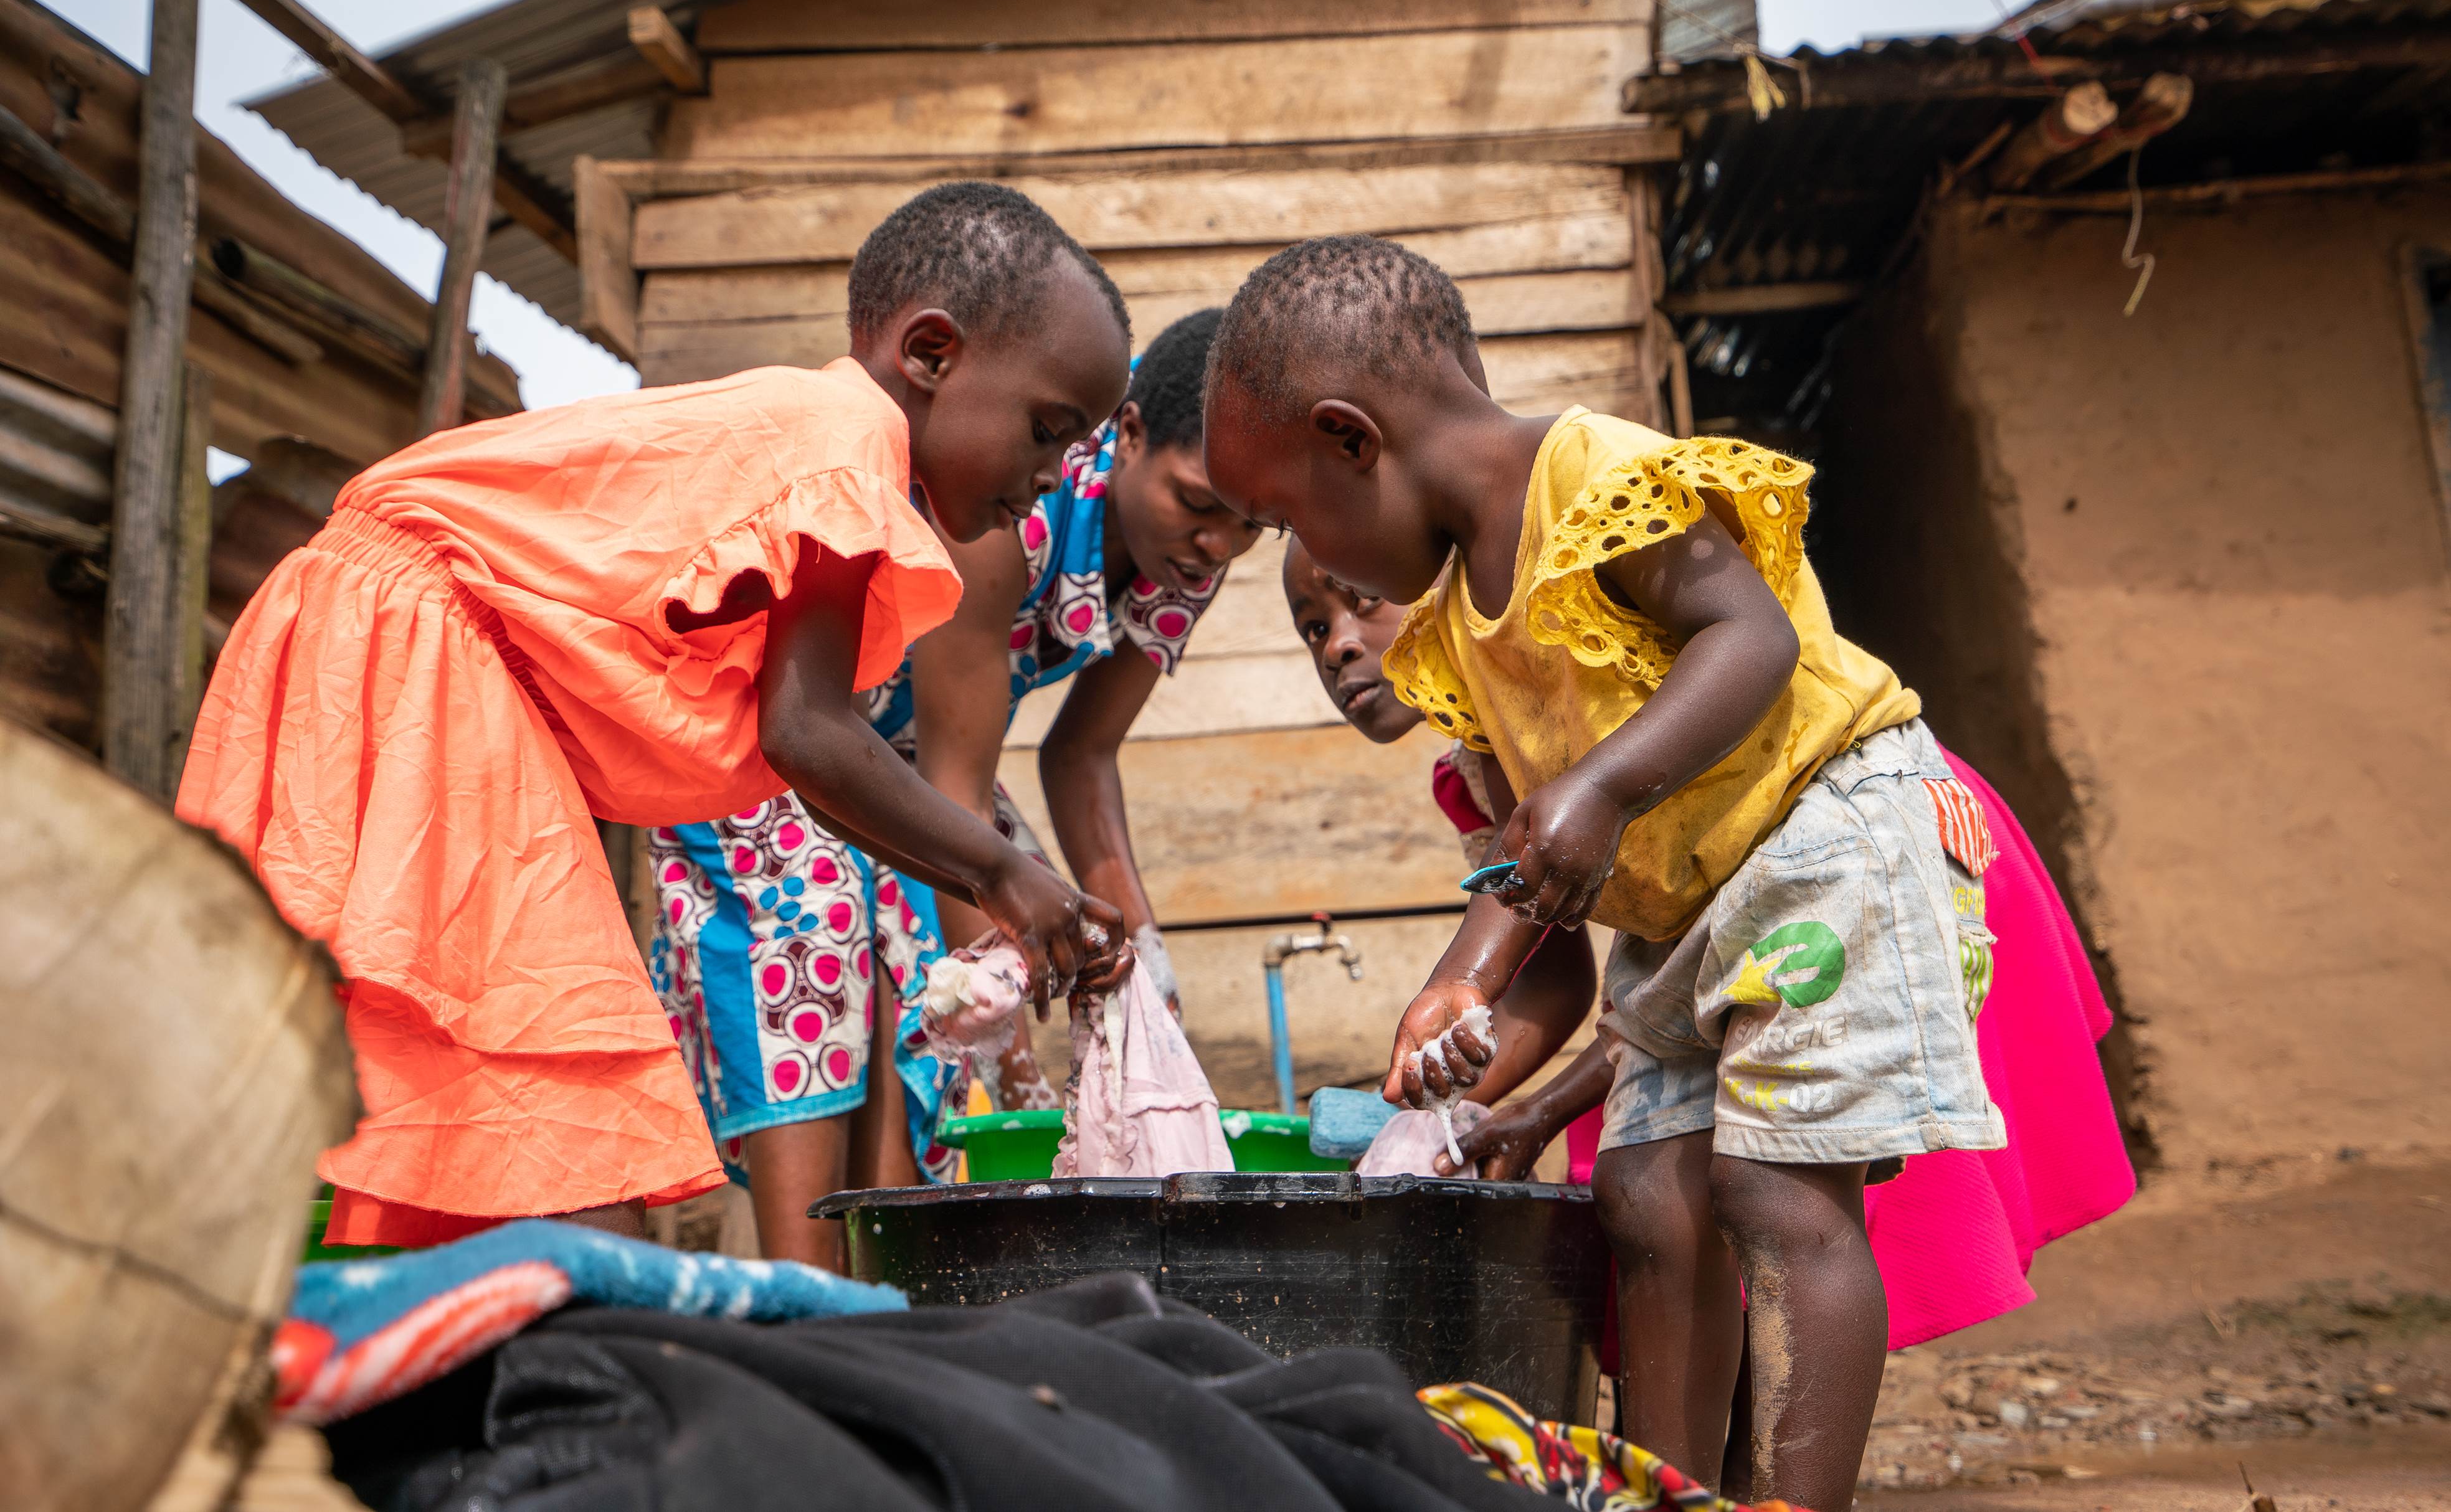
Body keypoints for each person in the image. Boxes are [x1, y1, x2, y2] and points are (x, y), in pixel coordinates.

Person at [179, 182, 1135, 1252]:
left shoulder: (829, 446)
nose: (1054, 477)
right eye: (1048, 430)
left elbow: (814, 770)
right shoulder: (844, 442)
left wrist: (988, 882)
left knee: (476, 1106)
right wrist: (1009, 872)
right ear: (929, 354)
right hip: (419, 646)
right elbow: (810, 734)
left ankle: (413, 1361)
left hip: (388, 642)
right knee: (554, 1113)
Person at [1202, 235, 2001, 1512]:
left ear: (1353, 439)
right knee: (1640, 1198)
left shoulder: (1594, 474)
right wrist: (1460, 984)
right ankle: (1662, 1494)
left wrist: (1600, 785)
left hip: (1820, 830)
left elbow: (1750, 635)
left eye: (1296, 518)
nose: (1316, 560)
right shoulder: (1454, 628)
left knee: (1772, 1189)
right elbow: (1521, 860)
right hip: (1675, 906)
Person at [651, 308, 1261, 1265]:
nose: (1218, 544)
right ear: (1131, 436)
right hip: (779, 734)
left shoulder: (1187, 560)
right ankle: (812, 1294)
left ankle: (891, 1297)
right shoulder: (1010, 529)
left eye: (1248, 526)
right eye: (1198, 505)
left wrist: (1143, 951)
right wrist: (1018, 1058)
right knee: (821, 947)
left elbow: (1081, 756)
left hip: (895, 757)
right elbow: (957, 797)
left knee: (934, 1003)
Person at [1279, 537, 1598, 1128]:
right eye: (1314, 630)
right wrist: (1425, 1113)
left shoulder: (1574, 708)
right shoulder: (1471, 779)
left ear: (1444, 583)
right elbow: (1554, 976)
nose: (1338, 647)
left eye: (1367, 600)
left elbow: (1674, 974)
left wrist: (1546, 1111)